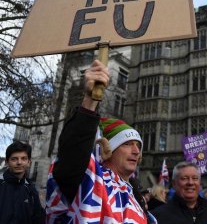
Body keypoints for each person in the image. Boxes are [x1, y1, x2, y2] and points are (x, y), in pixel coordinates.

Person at [45, 60, 148, 223]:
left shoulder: (136, 197)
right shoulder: (89, 180)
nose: (136, 151)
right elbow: (73, 154)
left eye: (138, 146)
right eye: (127, 144)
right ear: (107, 148)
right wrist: (90, 100)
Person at [0, 141, 45, 223]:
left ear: (29, 162)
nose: (19, 162)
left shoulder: (32, 191)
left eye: (23, 158)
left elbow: (38, 218)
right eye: (14, 159)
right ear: (7, 162)